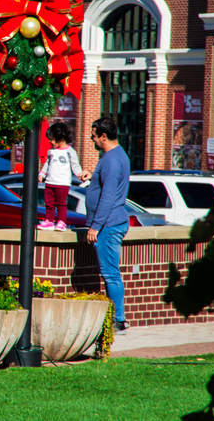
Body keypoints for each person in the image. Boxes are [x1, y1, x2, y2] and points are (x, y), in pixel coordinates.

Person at [80, 117, 130, 335]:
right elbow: (109, 183)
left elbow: (108, 196)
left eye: (93, 136)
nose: (92, 140)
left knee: (110, 273)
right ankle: (116, 319)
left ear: (103, 136)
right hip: (110, 223)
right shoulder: (116, 156)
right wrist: (94, 176)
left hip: (108, 225)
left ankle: (118, 321)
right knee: (110, 272)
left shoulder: (111, 160)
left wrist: (95, 226)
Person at [37, 122, 82, 232]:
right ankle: (49, 221)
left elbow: (75, 165)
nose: (50, 142)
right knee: (49, 203)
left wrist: (80, 174)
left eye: (52, 139)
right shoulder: (51, 151)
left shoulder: (70, 151)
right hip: (50, 182)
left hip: (62, 183)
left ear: (60, 138)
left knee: (61, 204)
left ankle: (61, 222)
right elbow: (47, 164)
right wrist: (42, 174)